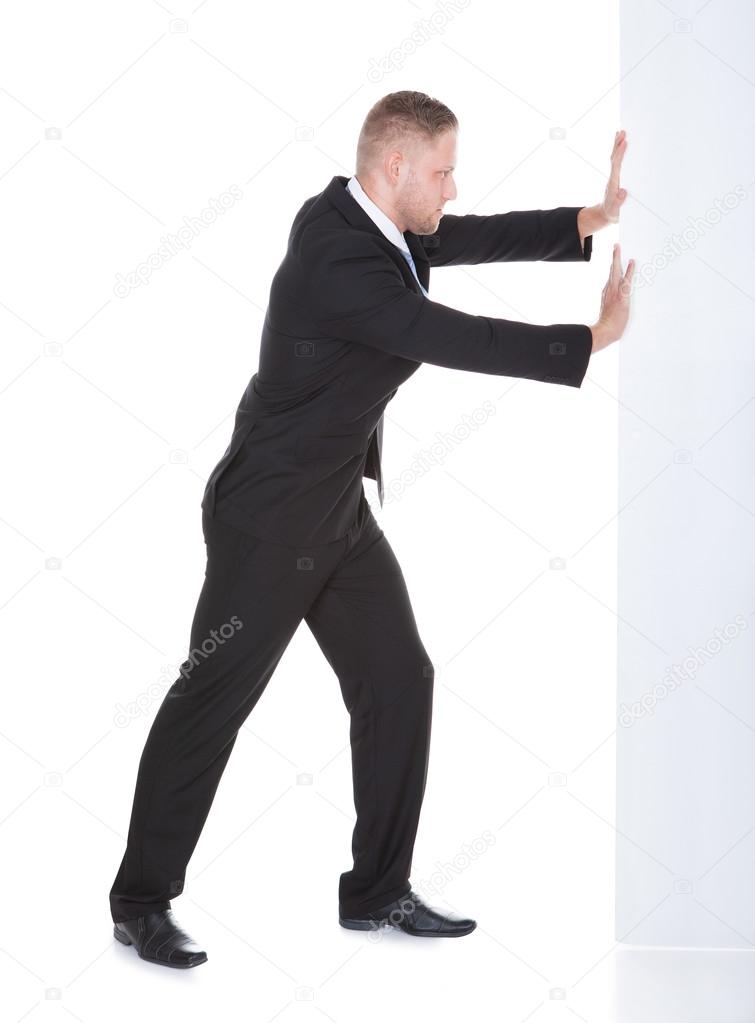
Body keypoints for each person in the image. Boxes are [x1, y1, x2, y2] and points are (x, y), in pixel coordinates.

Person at [109, 90, 633, 968]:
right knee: (210, 702)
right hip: (267, 521)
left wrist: (589, 217)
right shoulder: (336, 258)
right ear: (395, 168)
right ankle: (139, 901)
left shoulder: (376, 221)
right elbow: (446, 332)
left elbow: (463, 239)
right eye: (442, 171)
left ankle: (378, 890)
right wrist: (590, 339)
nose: (453, 188)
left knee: (398, 679)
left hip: (335, 511)